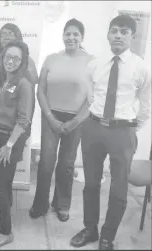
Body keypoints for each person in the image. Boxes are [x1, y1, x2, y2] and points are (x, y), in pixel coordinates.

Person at [70, 15, 151, 250]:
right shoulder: (95, 65)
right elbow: (90, 92)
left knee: (118, 189)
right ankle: (90, 229)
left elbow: (146, 107)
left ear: (132, 37)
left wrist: (129, 128)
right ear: (107, 34)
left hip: (123, 132)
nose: (118, 35)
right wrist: (95, 116)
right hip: (93, 128)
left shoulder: (141, 68)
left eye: (124, 32)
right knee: (91, 184)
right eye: (114, 30)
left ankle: (107, 236)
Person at [29, 19, 94, 222]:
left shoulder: (92, 62)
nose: (71, 37)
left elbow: (94, 98)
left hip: (77, 119)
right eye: (68, 34)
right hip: (50, 115)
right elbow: (40, 90)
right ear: (63, 36)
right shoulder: (51, 59)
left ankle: (62, 204)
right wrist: (50, 117)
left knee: (66, 164)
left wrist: (75, 122)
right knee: (46, 162)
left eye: (75, 34)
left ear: (82, 37)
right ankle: (40, 204)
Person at [0, 23, 39, 210]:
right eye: (3, 34)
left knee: (6, 161)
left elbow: (30, 87)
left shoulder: (26, 61)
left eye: (11, 34)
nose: (6, 37)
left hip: (13, 120)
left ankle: (5, 194)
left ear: (18, 38)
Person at [0, 40, 34, 248]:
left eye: (16, 58)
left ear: (22, 62)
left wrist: (9, 145)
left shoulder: (24, 84)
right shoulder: (4, 80)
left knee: (1, 187)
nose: (10, 61)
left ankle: (6, 232)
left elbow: (23, 120)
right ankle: (2, 222)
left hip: (11, 141)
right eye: (7, 57)